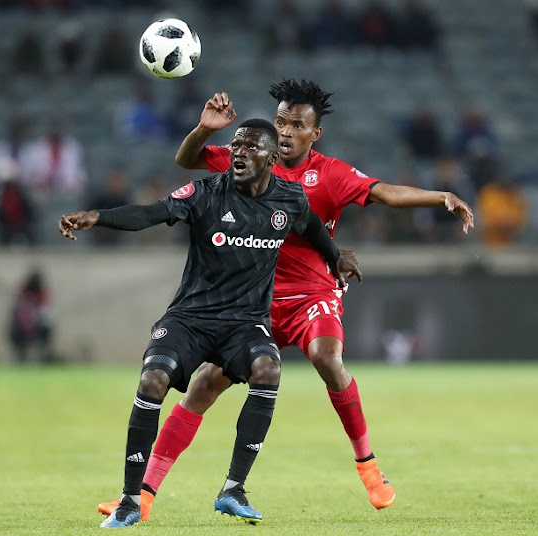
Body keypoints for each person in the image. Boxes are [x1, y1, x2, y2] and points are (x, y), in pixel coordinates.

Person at [98, 79, 474, 522]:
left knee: (327, 358)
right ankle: (143, 494)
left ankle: (368, 465)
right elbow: (186, 159)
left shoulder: (330, 174)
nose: (286, 130)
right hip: (251, 301)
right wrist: (203, 129)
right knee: (202, 386)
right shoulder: (253, 158)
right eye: (280, 121)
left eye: (297, 124)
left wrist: (440, 197)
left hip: (313, 293)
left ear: (315, 133)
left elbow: (383, 193)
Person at [59, 118, 361, 528]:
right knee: (152, 380)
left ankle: (233, 489)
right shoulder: (205, 193)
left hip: (245, 324)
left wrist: (335, 257)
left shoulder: (288, 198)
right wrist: (99, 216)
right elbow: (151, 213)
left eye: (250, 147)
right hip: (191, 318)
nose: (238, 152)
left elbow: (311, 227)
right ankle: (131, 500)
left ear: (272, 158)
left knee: (268, 369)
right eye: (235, 145)